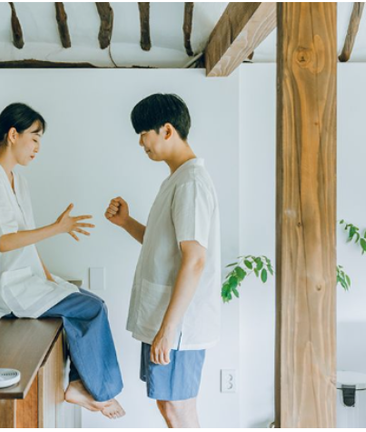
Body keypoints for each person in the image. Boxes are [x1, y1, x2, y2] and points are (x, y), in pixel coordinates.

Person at [0, 103, 126, 419]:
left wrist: (48, 277)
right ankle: (96, 391)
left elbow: (25, 238)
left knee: (95, 302)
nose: (38, 147)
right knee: (92, 311)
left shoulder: (17, 180)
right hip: (6, 287)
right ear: (13, 135)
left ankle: (80, 383)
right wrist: (57, 228)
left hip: (28, 279)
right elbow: (1, 243)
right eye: (35, 138)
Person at [105, 93, 220, 428]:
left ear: (166, 130)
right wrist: (127, 222)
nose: (141, 142)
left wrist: (168, 331)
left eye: (144, 133)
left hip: (180, 324)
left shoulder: (191, 183)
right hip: (169, 320)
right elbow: (163, 246)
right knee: (170, 405)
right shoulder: (177, 180)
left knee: (177, 408)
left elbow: (195, 259)